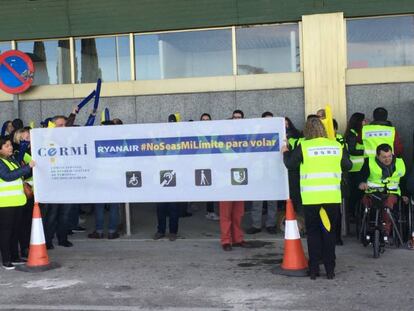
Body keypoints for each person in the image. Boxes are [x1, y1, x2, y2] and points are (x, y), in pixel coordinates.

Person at [282, 117, 352, 280]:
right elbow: (348, 166)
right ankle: (330, 270)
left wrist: (285, 151)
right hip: (331, 197)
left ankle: (313, 270)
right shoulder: (335, 146)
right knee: (329, 233)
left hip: (311, 198)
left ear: (307, 131)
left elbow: (290, 164)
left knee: (313, 233)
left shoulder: (304, 146)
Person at [358, 144, 407, 240]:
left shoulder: (399, 163)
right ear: (377, 156)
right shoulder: (369, 162)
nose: (387, 159)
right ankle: (370, 229)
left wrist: (405, 194)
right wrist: (362, 183)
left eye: (389, 156)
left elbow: (404, 181)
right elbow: (361, 176)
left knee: (387, 205)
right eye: (384, 157)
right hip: (372, 193)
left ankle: (385, 231)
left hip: (391, 193)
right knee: (367, 203)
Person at [0, 136, 35, 270]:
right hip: (5, 204)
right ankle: (6, 260)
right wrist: (27, 167)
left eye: (10, 145)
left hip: (17, 201)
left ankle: (15, 257)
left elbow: (17, 175)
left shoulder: (11, 160)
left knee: (15, 231)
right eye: (6, 146)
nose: (10, 147)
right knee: (6, 233)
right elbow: (7, 176)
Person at [219, 110, 251, 251]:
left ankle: (238, 238)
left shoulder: (242, 138)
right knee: (226, 213)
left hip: (239, 177)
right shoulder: (219, 141)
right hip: (225, 179)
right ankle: (226, 240)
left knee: (238, 212)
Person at [246, 111, 278, 234]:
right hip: (258, 171)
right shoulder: (256, 134)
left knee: (272, 201)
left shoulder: (277, 134)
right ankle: (256, 225)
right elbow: (249, 148)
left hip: (272, 172)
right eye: (266, 120)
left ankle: (271, 224)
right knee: (257, 201)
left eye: (271, 120)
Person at [13, 128, 34, 259]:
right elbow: (21, 170)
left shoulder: (31, 150)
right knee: (23, 222)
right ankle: (24, 248)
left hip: (32, 190)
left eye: (29, 137)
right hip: (23, 190)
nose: (28, 139)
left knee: (29, 221)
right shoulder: (16, 152)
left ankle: (28, 246)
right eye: (25, 137)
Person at [344, 113, 366, 226]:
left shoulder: (356, 133)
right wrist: (366, 151)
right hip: (355, 169)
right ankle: (352, 215)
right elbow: (352, 150)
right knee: (355, 194)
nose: (365, 122)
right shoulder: (352, 134)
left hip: (358, 168)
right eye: (363, 120)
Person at [199, 113, 220, 221]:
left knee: (212, 188)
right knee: (204, 187)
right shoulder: (197, 133)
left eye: (207, 120)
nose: (205, 122)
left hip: (213, 163)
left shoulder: (214, 133)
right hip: (201, 164)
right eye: (203, 120)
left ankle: (210, 211)